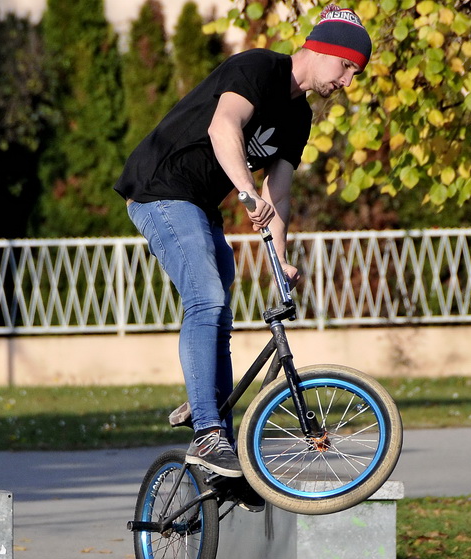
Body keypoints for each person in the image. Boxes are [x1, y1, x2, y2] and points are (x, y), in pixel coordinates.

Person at [114, 5, 371, 481]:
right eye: (346, 68)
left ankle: (220, 443)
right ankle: (208, 433)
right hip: (160, 188)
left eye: (356, 74)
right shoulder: (258, 67)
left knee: (221, 313)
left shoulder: (299, 118)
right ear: (322, 49)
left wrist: (282, 262)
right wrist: (247, 193)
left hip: (199, 204)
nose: (348, 82)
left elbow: (280, 192)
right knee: (206, 299)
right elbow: (223, 127)